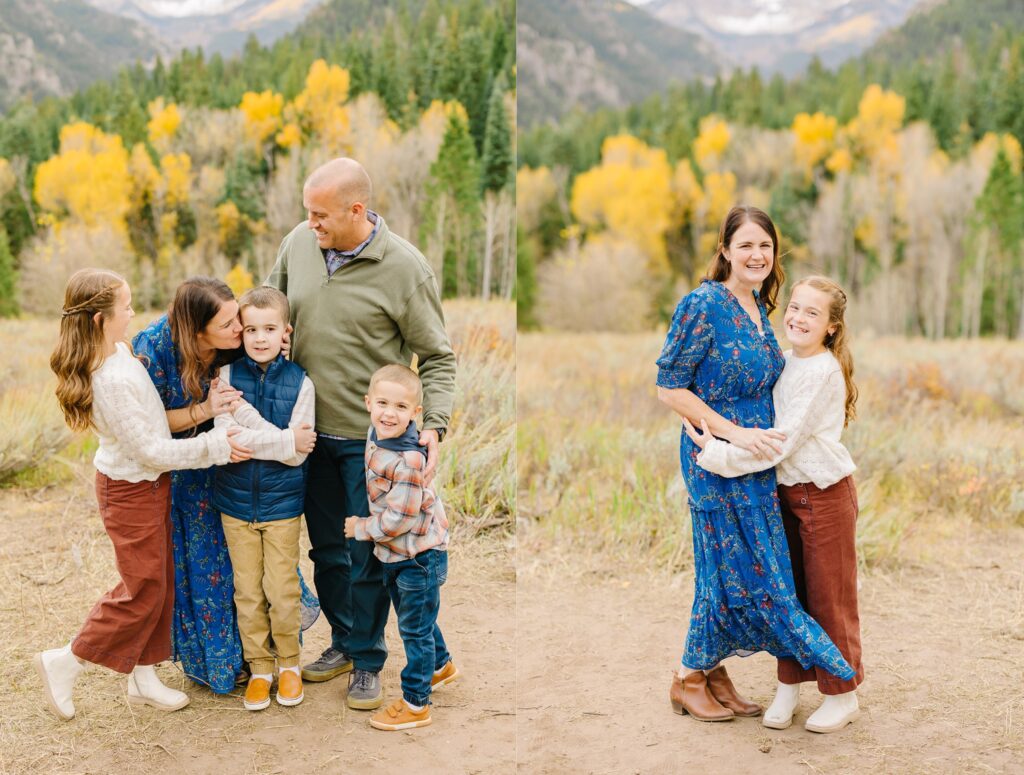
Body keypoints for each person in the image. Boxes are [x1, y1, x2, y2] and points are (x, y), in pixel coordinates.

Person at [267, 157, 456, 710]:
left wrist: (436, 425)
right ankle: (346, 643)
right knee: (327, 550)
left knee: (367, 552)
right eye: (307, 212)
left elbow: (438, 358)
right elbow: (274, 307)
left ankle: (370, 663)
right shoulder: (298, 244)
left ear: (356, 210)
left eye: (320, 215)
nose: (310, 224)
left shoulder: (405, 268)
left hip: (369, 444)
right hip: (304, 435)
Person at [656, 206, 854, 723]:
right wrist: (732, 433)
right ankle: (687, 677)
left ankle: (713, 671)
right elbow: (669, 386)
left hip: (757, 463)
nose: (756, 255)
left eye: (765, 246)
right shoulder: (702, 304)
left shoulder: (759, 308)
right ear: (724, 249)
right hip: (716, 458)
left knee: (738, 571)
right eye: (745, 245)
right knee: (729, 568)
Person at [36, 268, 246, 720]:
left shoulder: (118, 351)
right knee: (141, 590)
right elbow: (151, 450)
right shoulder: (108, 380)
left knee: (160, 583)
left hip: (149, 487)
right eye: (126, 306)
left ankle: (144, 675)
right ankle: (66, 660)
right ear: (99, 320)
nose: (134, 312)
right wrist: (216, 446)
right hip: (129, 490)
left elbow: (152, 431)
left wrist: (208, 412)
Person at [132, 277, 318, 694]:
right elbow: (151, 426)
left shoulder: (244, 347)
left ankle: (278, 661)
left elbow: (265, 354)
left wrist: (272, 335)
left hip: (249, 479)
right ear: (200, 332)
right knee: (216, 574)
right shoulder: (154, 349)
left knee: (262, 577)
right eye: (232, 324)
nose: (240, 330)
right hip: (190, 464)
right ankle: (228, 665)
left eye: (241, 318)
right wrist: (208, 411)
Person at [212, 287, 318, 711]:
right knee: (247, 591)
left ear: (285, 331)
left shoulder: (301, 383)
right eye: (251, 329)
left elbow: (297, 454)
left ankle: (289, 665)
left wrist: (282, 443)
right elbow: (227, 436)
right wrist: (283, 439)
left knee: (281, 588)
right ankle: (259, 668)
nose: (259, 338)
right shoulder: (226, 377)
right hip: (235, 504)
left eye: (269, 329)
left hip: (282, 506)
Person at [344, 364, 457, 731]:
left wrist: (361, 527)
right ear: (368, 403)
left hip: (418, 558)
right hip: (398, 555)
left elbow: (399, 521)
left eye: (401, 407)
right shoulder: (376, 434)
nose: (389, 413)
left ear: (416, 414)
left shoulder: (408, 460)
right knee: (418, 618)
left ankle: (415, 703)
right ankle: (440, 667)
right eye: (382, 403)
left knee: (414, 630)